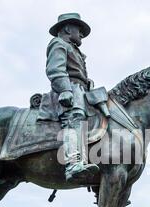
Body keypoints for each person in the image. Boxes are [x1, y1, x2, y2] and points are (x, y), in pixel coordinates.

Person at [43, 13, 100, 181]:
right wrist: (65, 89)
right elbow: (55, 69)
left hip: (81, 91)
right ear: (68, 28)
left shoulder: (75, 50)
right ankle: (73, 165)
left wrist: (87, 83)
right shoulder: (58, 43)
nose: (81, 34)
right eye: (79, 29)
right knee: (74, 119)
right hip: (70, 90)